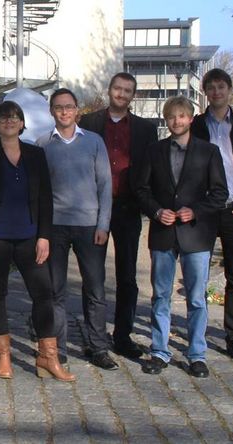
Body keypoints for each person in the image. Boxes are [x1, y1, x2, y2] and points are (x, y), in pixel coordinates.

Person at [0, 101, 75, 382]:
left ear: (22, 123)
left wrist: (44, 237)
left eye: (14, 117)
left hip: (30, 237)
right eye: (4, 118)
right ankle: (3, 355)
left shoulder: (35, 155)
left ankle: (47, 356)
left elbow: (46, 200)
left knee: (44, 294)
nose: (10, 121)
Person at [133, 96, 227, 378]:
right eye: (172, 117)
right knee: (161, 296)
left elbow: (220, 194)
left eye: (182, 116)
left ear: (190, 118)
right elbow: (141, 189)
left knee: (197, 298)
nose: (177, 121)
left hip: (196, 235)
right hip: (163, 232)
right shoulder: (154, 151)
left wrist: (195, 211)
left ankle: (197, 354)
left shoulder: (208, 152)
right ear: (166, 119)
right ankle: (160, 351)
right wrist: (156, 210)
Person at [78, 72, 159, 360]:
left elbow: (150, 170)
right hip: (94, 209)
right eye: (117, 89)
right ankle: (94, 337)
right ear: (109, 90)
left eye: (127, 91)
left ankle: (122, 336)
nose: (121, 94)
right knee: (93, 277)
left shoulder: (146, 130)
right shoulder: (88, 123)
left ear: (132, 96)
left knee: (127, 277)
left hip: (127, 208)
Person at [36, 88, 116, 370]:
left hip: (89, 226)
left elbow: (105, 186)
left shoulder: (94, 142)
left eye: (69, 107)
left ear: (77, 110)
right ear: (51, 111)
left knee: (94, 289)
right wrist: (41, 232)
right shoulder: (42, 144)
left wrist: (103, 224)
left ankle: (98, 347)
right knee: (56, 291)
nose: (64, 111)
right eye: (58, 107)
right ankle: (56, 349)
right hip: (55, 226)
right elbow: (39, 192)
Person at [190, 68, 233, 361]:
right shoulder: (196, 126)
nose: (217, 92)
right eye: (212, 88)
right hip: (205, 211)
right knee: (197, 276)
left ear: (229, 89)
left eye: (221, 87)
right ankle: (197, 334)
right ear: (205, 92)